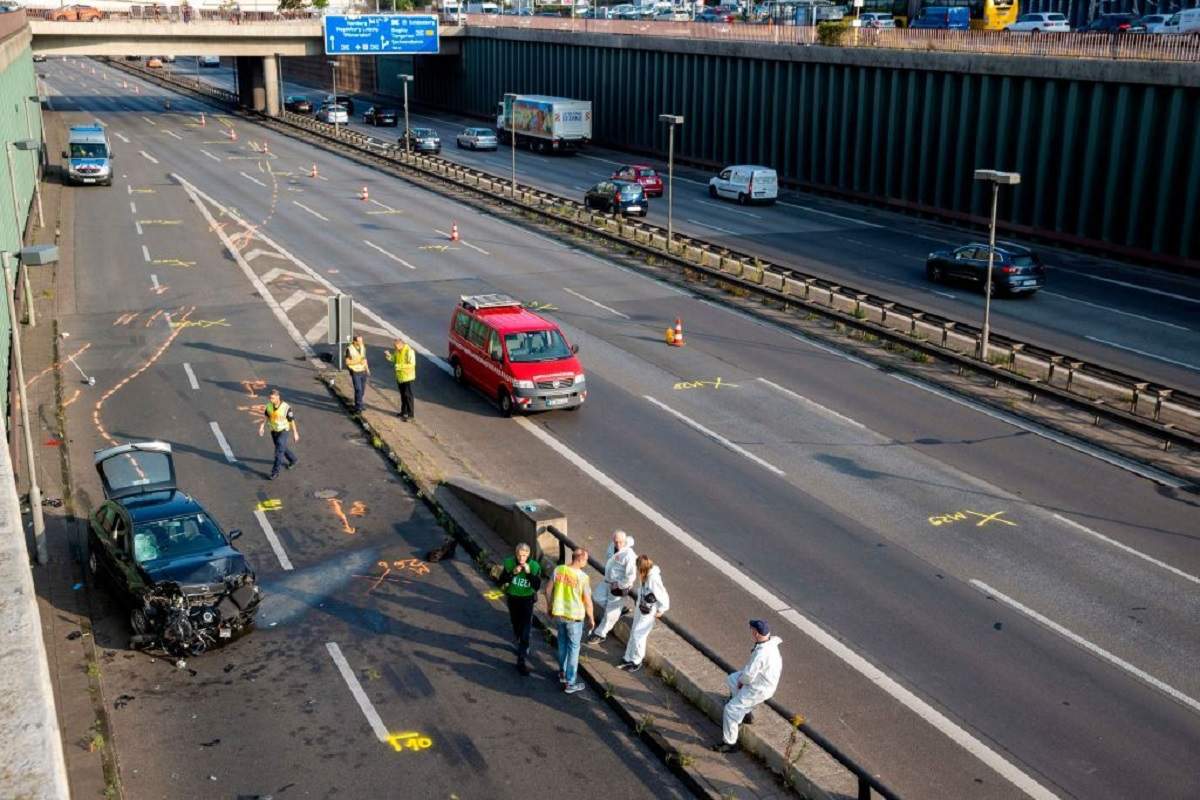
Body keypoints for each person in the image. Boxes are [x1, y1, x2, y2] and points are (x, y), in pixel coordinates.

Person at [712, 620, 783, 753]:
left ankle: (730, 743)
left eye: (751, 630)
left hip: (759, 688)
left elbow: (748, 676)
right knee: (732, 679)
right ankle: (745, 713)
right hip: (762, 680)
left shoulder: (761, 654)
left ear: (755, 633)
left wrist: (742, 681)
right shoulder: (770, 643)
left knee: (730, 710)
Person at [544, 547, 594, 695]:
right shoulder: (583, 578)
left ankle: (562, 672)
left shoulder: (558, 569)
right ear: (579, 559)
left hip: (559, 614)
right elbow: (588, 601)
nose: (586, 562)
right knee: (574, 650)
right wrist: (591, 618)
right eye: (586, 559)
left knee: (562, 644)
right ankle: (570, 682)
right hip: (574, 617)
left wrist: (549, 606)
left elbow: (547, 590)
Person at [586, 530, 637, 644]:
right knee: (597, 597)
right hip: (608, 581)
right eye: (615, 542)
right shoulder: (612, 546)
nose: (617, 544)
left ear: (624, 541)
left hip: (618, 586)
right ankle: (619, 610)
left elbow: (631, 576)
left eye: (620, 542)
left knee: (610, 614)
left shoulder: (629, 555)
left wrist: (619, 584)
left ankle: (600, 634)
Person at [499, 542, 543, 675]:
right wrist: (513, 572)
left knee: (525, 628)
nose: (521, 558)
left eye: (524, 555)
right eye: (519, 555)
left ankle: (521, 659)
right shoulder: (509, 562)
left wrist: (529, 573)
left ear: (528, 554)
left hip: (527, 599)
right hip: (513, 598)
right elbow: (501, 580)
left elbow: (536, 586)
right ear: (515, 553)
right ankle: (519, 638)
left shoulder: (534, 566)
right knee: (515, 623)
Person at [619, 555, 669, 673]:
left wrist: (662, 609)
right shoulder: (647, 576)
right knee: (634, 632)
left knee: (639, 635)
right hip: (641, 607)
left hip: (648, 611)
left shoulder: (653, 579)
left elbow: (662, 595)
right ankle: (629, 657)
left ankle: (636, 660)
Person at [260, 389, 299, 480]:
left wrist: (295, 433)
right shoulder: (269, 406)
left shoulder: (286, 407)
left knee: (278, 452)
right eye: (270, 398)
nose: (271, 400)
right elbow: (266, 416)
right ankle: (293, 459)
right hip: (274, 431)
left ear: (278, 397)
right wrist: (261, 427)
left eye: (273, 398)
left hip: (283, 431)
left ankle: (275, 472)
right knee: (282, 447)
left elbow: (291, 421)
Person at [384, 338, 416, 420]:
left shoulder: (409, 351)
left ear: (400, 344)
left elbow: (411, 365)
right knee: (403, 395)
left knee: (408, 395)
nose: (394, 347)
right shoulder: (397, 351)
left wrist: (399, 366)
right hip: (400, 377)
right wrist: (389, 356)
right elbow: (394, 359)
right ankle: (403, 412)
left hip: (408, 377)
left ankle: (411, 415)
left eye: (395, 346)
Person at [346, 335, 370, 413]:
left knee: (362, 390)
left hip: (363, 371)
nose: (361, 342)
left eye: (362, 341)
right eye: (359, 341)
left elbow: (364, 358)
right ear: (355, 342)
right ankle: (358, 406)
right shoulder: (349, 349)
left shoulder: (362, 347)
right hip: (355, 371)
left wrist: (367, 368)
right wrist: (358, 362)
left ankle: (359, 404)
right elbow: (347, 362)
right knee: (358, 389)